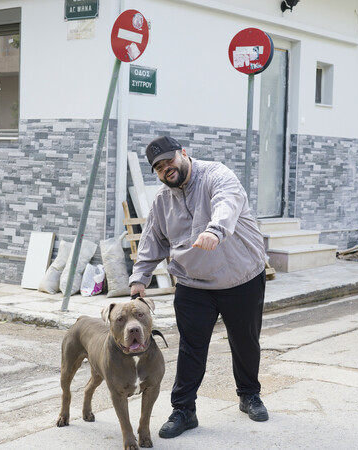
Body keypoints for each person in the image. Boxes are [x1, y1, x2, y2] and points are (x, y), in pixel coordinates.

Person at [129, 135, 269, 439]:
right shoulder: (162, 200)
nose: (167, 169)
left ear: (183, 153)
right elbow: (153, 239)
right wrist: (140, 278)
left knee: (245, 341)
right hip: (193, 284)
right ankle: (184, 410)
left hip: (241, 276)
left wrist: (215, 230)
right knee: (192, 348)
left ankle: (249, 394)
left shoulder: (217, 175)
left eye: (170, 161)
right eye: (159, 167)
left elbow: (227, 203)